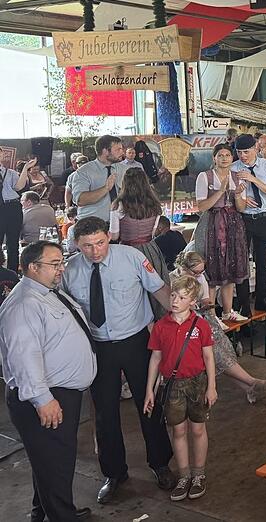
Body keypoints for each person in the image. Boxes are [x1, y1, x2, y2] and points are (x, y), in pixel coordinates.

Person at [61, 216, 176, 504]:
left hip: (136, 341)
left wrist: (180, 322)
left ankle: (160, 463)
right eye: (87, 246)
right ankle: (114, 473)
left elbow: (159, 290)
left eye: (100, 243)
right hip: (99, 347)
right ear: (77, 244)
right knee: (104, 412)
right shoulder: (70, 270)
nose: (95, 251)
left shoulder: (131, 258)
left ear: (108, 237)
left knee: (149, 402)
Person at [0, 241, 96, 522]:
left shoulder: (47, 292)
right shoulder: (24, 304)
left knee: (49, 460)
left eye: (61, 262)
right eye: (55, 264)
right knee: (56, 462)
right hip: (46, 396)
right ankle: (61, 516)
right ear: (33, 267)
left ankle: (43, 510)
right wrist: (43, 400)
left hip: (59, 392)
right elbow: (24, 356)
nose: (61, 269)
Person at [143, 275, 216, 502]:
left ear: (193, 302)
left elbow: (208, 356)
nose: (175, 300)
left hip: (197, 383)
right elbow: (155, 359)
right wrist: (150, 390)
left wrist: (211, 386)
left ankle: (199, 474)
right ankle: (184, 476)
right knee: (178, 431)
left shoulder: (201, 325)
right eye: (173, 295)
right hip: (172, 385)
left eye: (182, 297)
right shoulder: (160, 327)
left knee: (198, 430)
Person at [172, 252, 266, 403]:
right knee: (217, 354)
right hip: (185, 326)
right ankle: (251, 382)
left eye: (201, 272)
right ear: (184, 268)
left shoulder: (200, 278)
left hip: (203, 319)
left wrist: (206, 306)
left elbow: (206, 299)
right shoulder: (172, 280)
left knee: (223, 352)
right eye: (195, 272)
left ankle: (249, 387)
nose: (199, 275)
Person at [194, 143, 249, 324]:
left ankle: (227, 311)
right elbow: (201, 207)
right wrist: (220, 191)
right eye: (220, 155)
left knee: (230, 269)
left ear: (232, 158)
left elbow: (241, 208)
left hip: (233, 226)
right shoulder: (205, 176)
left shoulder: (237, 177)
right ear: (214, 158)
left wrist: (237, 195)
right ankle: (211, 317)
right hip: (212, 226)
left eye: (227, 155)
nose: (224, 158)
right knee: (213, 271)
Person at [109, 167, 171, 319]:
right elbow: (153, 232)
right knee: (155, 287)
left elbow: (114, 235)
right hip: (150, 250)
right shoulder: (154, 204)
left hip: (127, 251)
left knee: (131, 287)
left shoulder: (118, 205)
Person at [232, 134, 266, 314]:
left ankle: (261, 299)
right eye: (239, 152)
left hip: (263, 217)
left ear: (255, 149)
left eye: (246, 151)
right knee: (242, 262)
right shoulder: (233, 168)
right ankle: (244, 305)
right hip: (242, 218)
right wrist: (241, 198)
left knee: (262, 261)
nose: (243, 156)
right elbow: (228, 194)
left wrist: (253, 180)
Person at [72, 135, 131, 222]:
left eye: (122, 149)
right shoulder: (84, 172)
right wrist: (106, 188)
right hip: (93, 225)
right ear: (105, 151)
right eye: (118, 149)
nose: (122, 152)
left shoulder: (124, 169)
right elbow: (80, 200)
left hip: (120, 222)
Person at [2, 158, 33, 270]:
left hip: (12, 206)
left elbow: (18, 187)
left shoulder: (11, 173)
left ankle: (12, 272)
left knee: (13, 242)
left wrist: (25, 168)